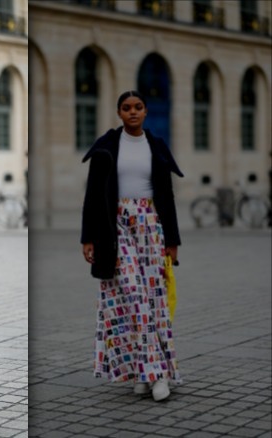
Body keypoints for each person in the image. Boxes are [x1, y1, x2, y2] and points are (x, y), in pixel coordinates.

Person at [80, 90, 183, 401]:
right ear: (119, 113)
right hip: (116, 225)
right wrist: (88, 237)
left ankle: (149, 372)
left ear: (146, 111)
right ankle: (152, 372)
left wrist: (173, 240)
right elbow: (93, 196)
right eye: (126, 108)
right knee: (132, 294)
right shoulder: (107, 147)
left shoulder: (157, 147)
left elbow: (167, 196)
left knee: (154, 299)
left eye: (138, 107)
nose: (133, 112)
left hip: (152, 224)